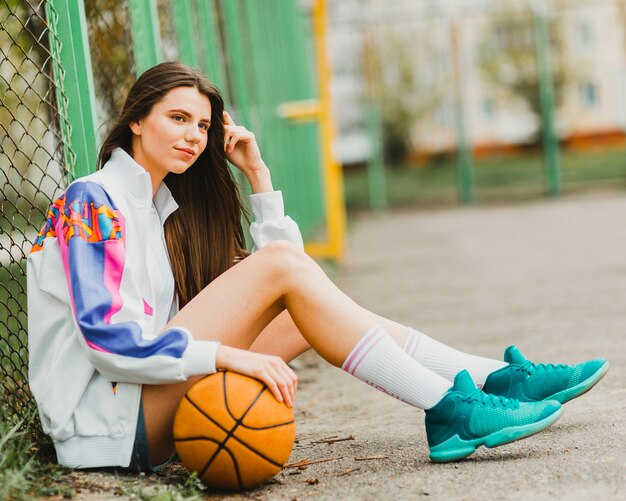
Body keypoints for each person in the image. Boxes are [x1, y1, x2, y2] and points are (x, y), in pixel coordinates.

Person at [27, 62, 609, 472]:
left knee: (310, 307)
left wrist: (259, 178)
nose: (193, 137)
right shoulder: (91, 201)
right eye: (178, 119)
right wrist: (227, 354)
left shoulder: (157, 212)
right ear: (136, 120)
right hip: (107, 426)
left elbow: (293, 277)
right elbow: (106, 342)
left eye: (203, 126)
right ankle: (449, 408)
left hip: (138, 406)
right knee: (282, 269)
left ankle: (490, 382)